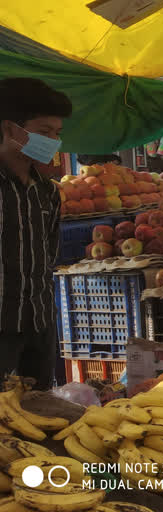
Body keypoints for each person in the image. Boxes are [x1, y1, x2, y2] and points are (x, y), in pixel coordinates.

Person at [0, 78, 71, 389]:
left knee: (40, 414)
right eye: (44, 132)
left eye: (57, 133)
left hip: (39, 325)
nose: (53, 141)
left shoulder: (47, 192)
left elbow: (48, 254)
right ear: (9, 129)